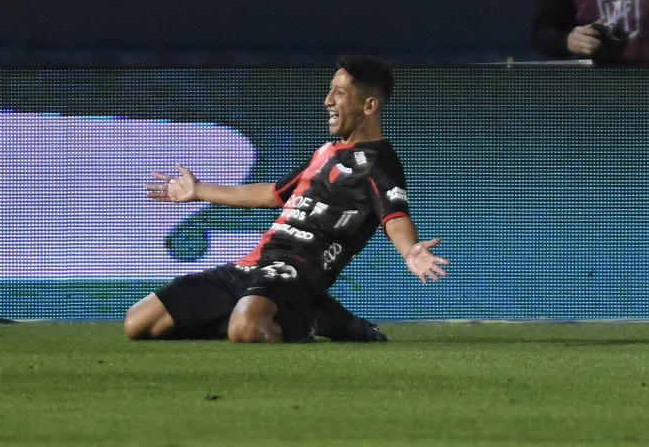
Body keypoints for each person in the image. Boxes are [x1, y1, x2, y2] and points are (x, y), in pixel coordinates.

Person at [123, 55, 449, 343]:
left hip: (296, 275)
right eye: (330, 90)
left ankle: (319, 317)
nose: (327, 101)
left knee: (247, 331)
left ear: (369, 106)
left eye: (340, 93)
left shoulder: (380, 163)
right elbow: (270, 194)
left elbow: (394, 216)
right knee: (138, 323)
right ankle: (278, 310)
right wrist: (199, 190)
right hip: (251, 267)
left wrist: (409, 250)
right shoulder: (325, 153)